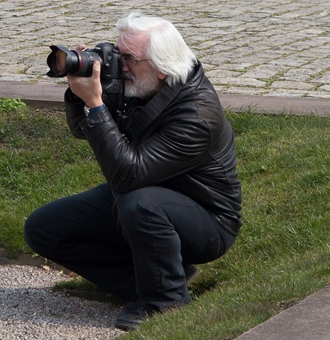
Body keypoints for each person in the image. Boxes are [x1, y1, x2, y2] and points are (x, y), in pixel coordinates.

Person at [24, 12, 242, 331]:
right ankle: (149, 281)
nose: (118, 64)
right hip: (143, 195)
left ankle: (165, 301)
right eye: (117, 51)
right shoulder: (138, 82)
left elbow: (127, 175)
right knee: (44, 229)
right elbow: (82, 131)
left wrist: (96, 104)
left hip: (207, 221)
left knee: (138, 202)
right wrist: (78, 93)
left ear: (163, 68)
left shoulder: (197, 115)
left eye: (128, 58)